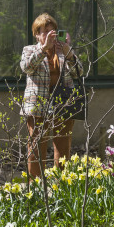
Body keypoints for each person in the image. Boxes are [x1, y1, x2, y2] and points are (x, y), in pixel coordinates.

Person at [20, 13, 82, 178]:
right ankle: (35, 184)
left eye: (52, 30)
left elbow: (79, 72)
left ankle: (62, 182)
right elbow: (27, 67)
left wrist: (69, 54)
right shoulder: (30, 50)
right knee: (36, 144)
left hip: (63, 102)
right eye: (44, 31)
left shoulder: (63, 50)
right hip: (38, 104)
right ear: (37, 34)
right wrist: (43, 49)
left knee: (63, 145)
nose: (49, 34)